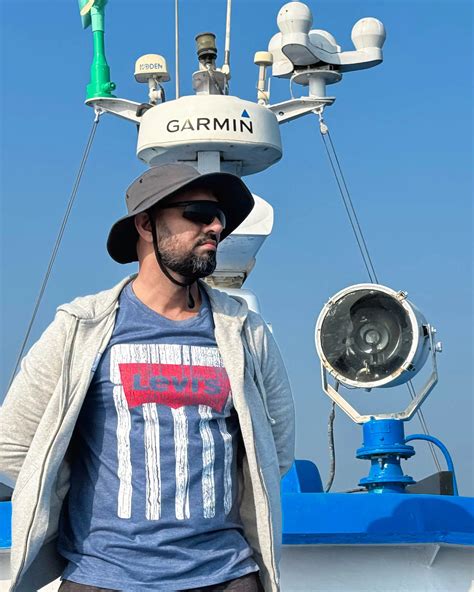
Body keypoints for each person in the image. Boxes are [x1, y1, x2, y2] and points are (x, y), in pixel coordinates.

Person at [0, 163, 295, 592]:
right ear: (145, 224)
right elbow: (12, 442)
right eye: (198, 213)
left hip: (225, 576)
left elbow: (276, 448)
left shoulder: (244, 331)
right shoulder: (81, 326)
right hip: (102, 577)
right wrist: (80, 493)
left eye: (220, 218)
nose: (215, 227)